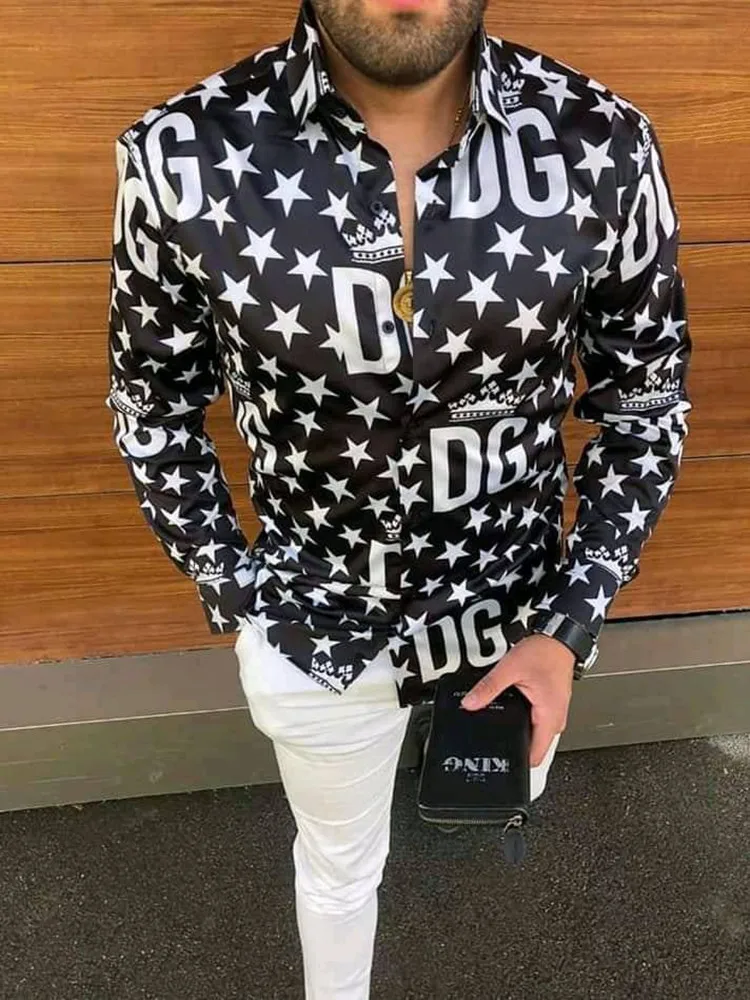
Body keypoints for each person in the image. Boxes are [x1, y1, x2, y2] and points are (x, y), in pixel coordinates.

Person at [106, 0, 692, 995]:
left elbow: (646, 404)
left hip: (517, 626)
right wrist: (243, 597)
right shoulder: (181, 155)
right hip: (315, 627)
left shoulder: (602, 144)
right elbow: (151, 404)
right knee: (339, 870)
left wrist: (568, 624)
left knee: (486, 806)